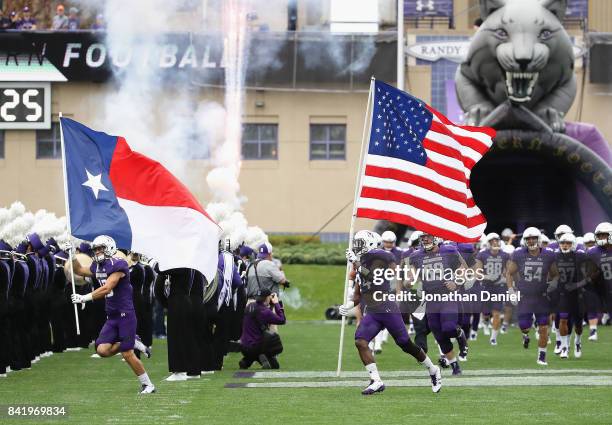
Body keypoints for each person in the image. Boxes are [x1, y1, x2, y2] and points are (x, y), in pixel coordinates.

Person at [340, 230, 442, 395]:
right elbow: (359, 294)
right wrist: (348, 304)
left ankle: (433, 369)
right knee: (360, 341)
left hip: (387, 308)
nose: (357, 247)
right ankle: (376, 380)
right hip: (372, 311)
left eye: (360, 243)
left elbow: (375, 277)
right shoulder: (358, 263)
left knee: (405, 344)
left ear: (371, 244)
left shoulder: (381, 256)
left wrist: (358, 264)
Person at [69, 235, 155, 394]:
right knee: (101, 350)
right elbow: (79, 270)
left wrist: (84, 297)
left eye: (100, 248)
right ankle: (133, 341)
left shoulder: (119, 264)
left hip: (125, 315)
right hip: (112, 316)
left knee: (127, 353)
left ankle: (148, 385)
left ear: (109, 247)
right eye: (95, 249)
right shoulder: (97, 266)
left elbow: (107, 288)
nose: (97, 252)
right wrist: (72, 255)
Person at [409, 233, 468, 375]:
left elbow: (464, 270)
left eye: (427, 236)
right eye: (422, 237)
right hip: (431, 300)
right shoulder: (416, 255)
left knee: (448, 328)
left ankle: (459, 334)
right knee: (440, 335)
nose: (424, 239)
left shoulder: (448, 250)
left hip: (447, 297)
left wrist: (456, 282)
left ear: (436, 237)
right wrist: (409, 281)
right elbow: (411, 277)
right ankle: (455, 366)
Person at [506, 227, 558, 365]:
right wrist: (511, 290)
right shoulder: (518, 254)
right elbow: (509, 273)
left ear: (538, 239)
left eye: (533, 238)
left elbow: (556, 274)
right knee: (524, 326)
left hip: (542, 296)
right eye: (528, 239)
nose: (531, 241)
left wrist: (553, 284)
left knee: (543, 327)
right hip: (525, 296)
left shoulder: (548, 254)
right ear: (524, 241)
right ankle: (525, 335)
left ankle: (542, 356)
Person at [554, 233, 586, 359]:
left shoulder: (581, 256)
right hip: (563, 294)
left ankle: (577, 341)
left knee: (578, 324)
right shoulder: (555, 256)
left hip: (578, 294)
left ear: (573, 244)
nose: (565, 245)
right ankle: (564, 347)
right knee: (563, 319)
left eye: (568, 243)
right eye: (562, 243)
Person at [474, 233, 509, 345]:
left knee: (497, 313)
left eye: (496, 241)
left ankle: (493, 338)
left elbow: (508, 272)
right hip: (485, 286)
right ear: (488, 243)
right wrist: (487, 277)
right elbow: (477, 273)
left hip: (499, 287)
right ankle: (485, 321)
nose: (495, 243)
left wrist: (505, 279)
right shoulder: (482, 255)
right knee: (485, 313)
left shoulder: (505, 255)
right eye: (492, 241)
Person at [239, 288, 285, 369]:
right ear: (267, 298)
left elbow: (263, 320)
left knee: (254, 345)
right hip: (256, 347)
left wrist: (271, 305)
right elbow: (282, 320)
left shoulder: (250, 306)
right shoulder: (265, 311)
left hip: (243, 346)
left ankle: (246, 361)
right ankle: (260, 355)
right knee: (275, 365)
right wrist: (277, 304)